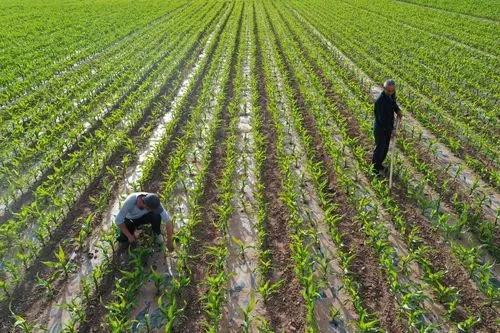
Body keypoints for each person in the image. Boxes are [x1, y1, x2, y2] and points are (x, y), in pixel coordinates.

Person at [372, 79, 403, 175]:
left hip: (388, 126)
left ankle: (379, 164)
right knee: (380, 148)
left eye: (392, 91)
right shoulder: (380, 102)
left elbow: (393, 103)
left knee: (385, 148)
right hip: (381, 128)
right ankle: (374, 169)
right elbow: (382, 121)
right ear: (384, 88)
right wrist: (392, 130)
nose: (390, 93)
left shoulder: (391, 95)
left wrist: (397, 110)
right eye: (388, 91)